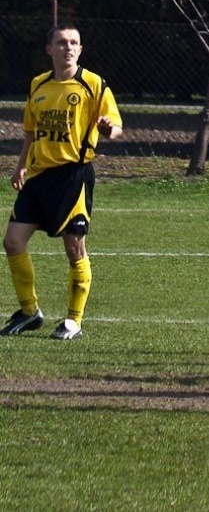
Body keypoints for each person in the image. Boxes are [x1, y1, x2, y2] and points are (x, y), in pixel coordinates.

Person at [1, 24, 122, 340]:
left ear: (80, 49)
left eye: (74, 43)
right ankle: (30, 312)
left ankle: (73, 320)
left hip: (73, 178)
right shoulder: (38, 84)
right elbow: (31, 131)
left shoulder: (93, 84)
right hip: (38, 177)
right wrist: (20, 167)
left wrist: (109, 129)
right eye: (62, 42)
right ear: (49, 49)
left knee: (74, 247)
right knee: (12, 241)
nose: (68, 47)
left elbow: (117, 127)